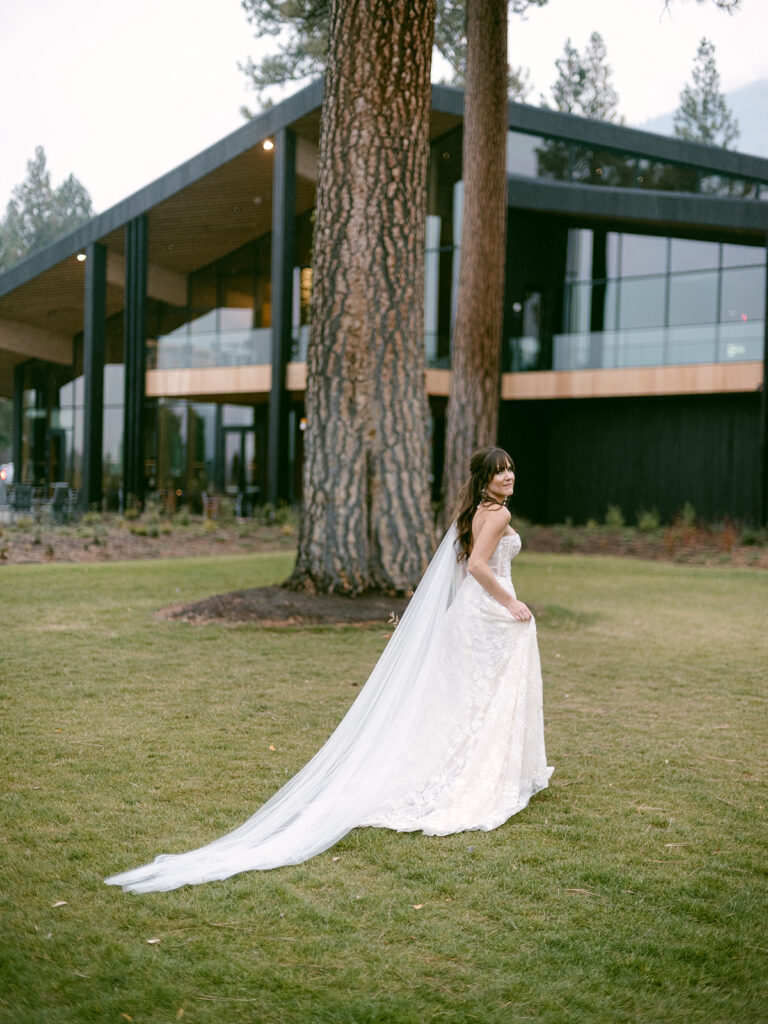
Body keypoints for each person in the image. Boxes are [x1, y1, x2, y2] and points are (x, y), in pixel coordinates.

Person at [106, 446, 553, 893]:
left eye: (511, 468)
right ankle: (478, 773)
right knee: (486, 696)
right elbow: (476, 566)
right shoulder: (496, 515)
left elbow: (465, 563)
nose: (509, 475)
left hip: (470, 616)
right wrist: (510, 601)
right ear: (485, 478)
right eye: (500, 471)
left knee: (470, 699)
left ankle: (473, 765)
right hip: (488, 613)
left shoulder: (478, 511)